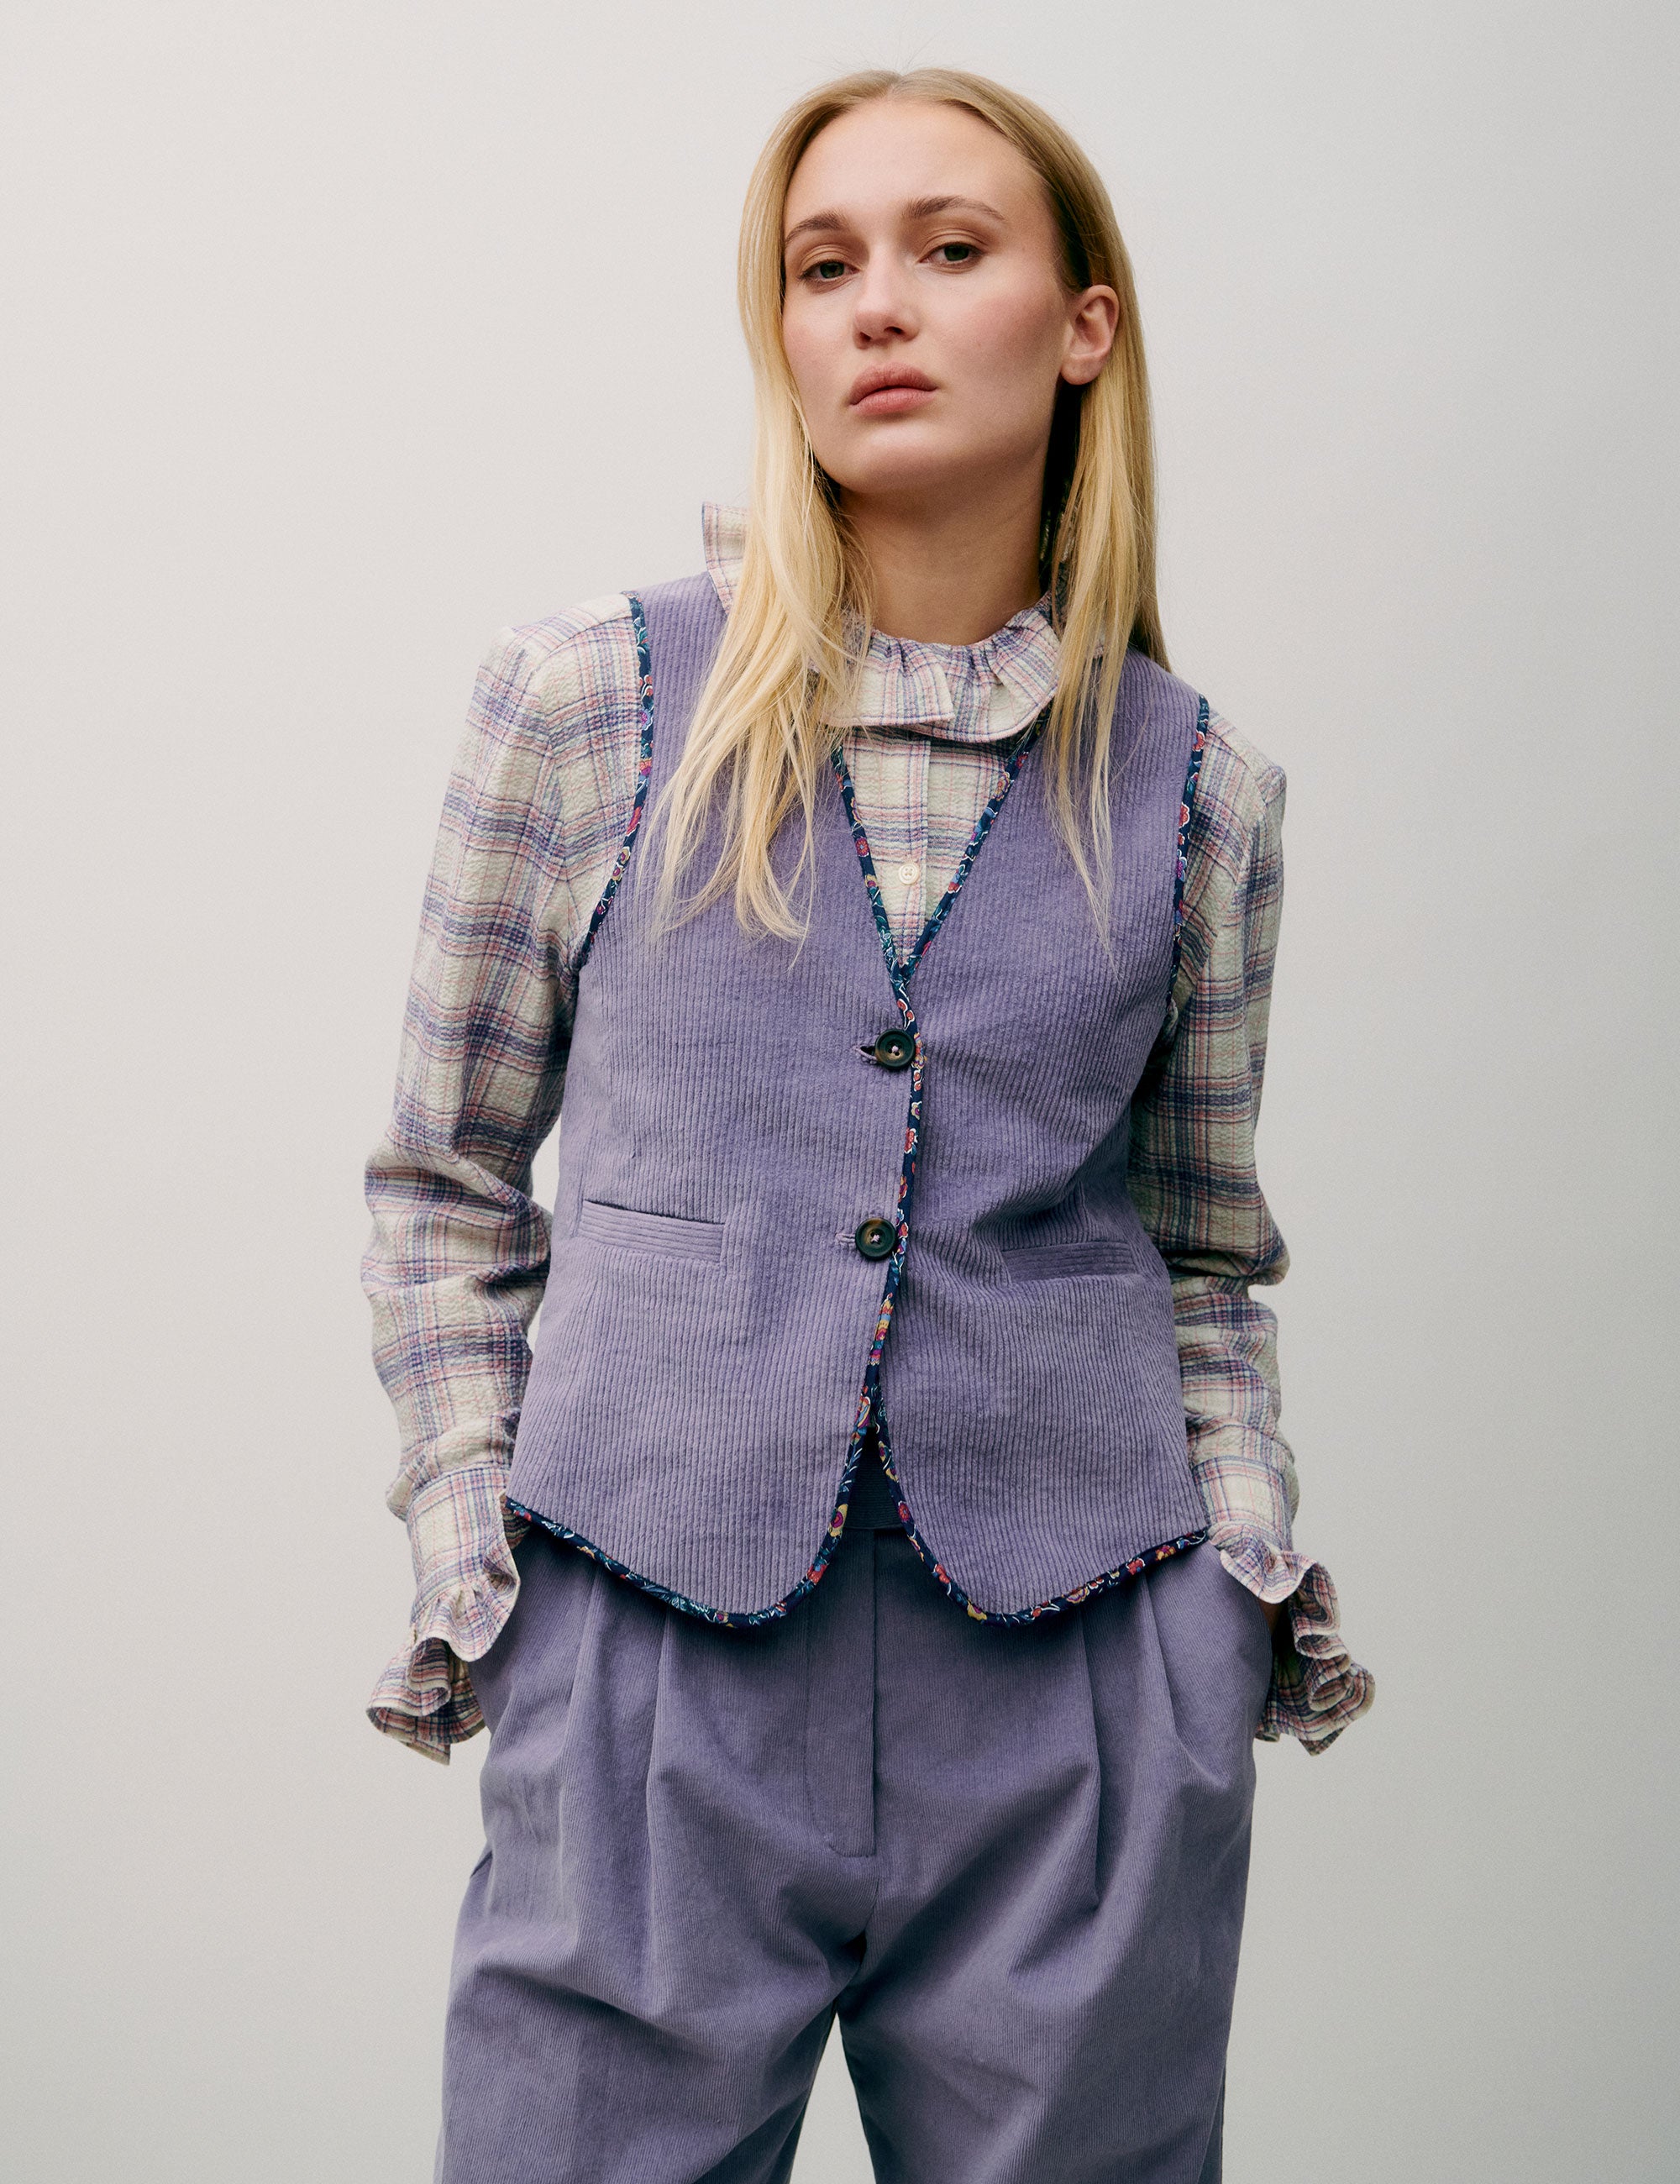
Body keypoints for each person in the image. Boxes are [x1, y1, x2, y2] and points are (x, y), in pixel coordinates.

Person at [362, 65, 1373, 2184]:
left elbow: (1201, 1253)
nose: (876, 310)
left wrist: (1236, 1580)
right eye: (823, 268)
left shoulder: (1205, 799)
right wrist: (484, 1548)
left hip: (1082, 1676)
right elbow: (446, 1184)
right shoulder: (587, 704)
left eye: (950, 249)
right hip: (652, 1645)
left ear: (1082, 323)